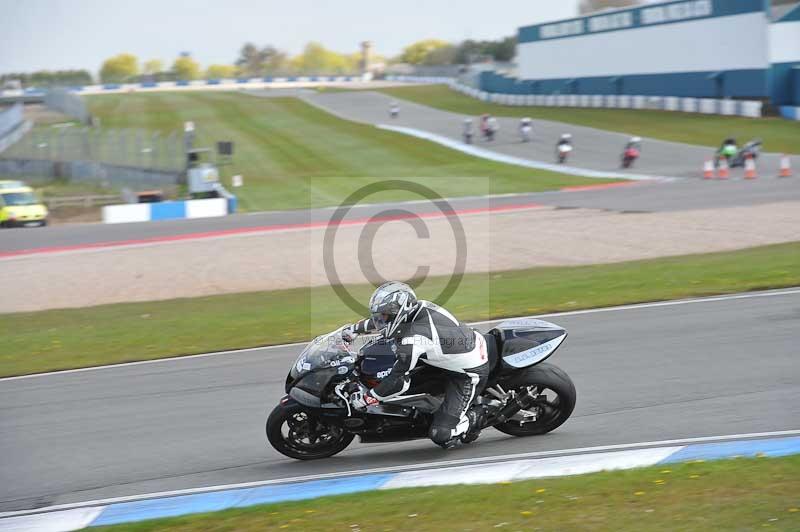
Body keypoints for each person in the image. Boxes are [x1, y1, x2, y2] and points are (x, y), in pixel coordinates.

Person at [341, 281, 490, 449]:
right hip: (451, 355)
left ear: (399, 313)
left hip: (467, 373)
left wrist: (369, 398)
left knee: (441, 434)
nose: (381, 321)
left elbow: (398, 382)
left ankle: (474, 419)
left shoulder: (413, 340)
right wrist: (354, 329)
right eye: (380, 316)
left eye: (385, 316)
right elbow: (383, 322)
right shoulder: (418, 307)